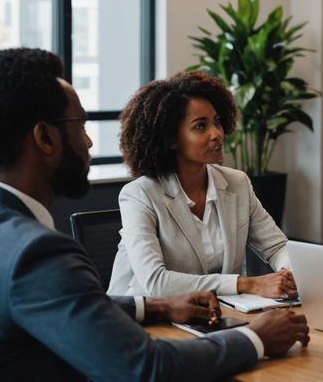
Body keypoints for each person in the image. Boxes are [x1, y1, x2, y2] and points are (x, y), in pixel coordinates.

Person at [0, 48, 309, 380]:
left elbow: (55, 306)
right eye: (79, 125)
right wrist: (255, 338)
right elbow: (146, 369)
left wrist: (156, 307)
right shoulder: (38, 254)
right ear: (45, 138)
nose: (89, 139)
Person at [108, 71, 296, 299]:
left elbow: (277, 247)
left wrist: (289, 272)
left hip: (217, 314)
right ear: (171, 139)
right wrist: (246, 284)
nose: (217, 134)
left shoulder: (237, 183)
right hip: (146, 319)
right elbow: (155, 282)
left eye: (217, 122)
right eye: (200, 126)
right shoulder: (140, 195)